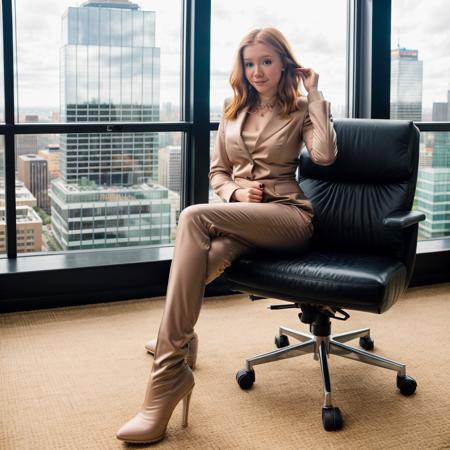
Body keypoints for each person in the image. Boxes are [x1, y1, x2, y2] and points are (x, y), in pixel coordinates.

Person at [116, 27, 337, 444]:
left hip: (287, 217)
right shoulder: (232, 109)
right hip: (241, 216)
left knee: (193, 217)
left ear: (284, 63)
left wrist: (316, 95)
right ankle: (183, 340)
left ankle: (166, 377)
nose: (257, 71)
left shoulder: (302, 107)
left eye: (266, 61)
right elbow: (217, 172)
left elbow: (324, 156)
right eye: (249, 63)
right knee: (207, 254)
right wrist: (235, 191)